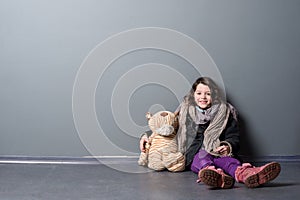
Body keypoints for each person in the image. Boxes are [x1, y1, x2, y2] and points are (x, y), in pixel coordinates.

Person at [140, 76, 281, 189]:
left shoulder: (225, 112)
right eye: (199, 93)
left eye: (208, 94)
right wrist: (147, 138)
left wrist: (227, 146)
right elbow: (166, 127)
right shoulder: (185, 111)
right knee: (202, 158)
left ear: (215, 95)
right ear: (193, 95)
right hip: (195, 153)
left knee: (229, 162)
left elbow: (233, 135)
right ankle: (213, 175)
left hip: (218, 150)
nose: (203, 97)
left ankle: (248, 174)